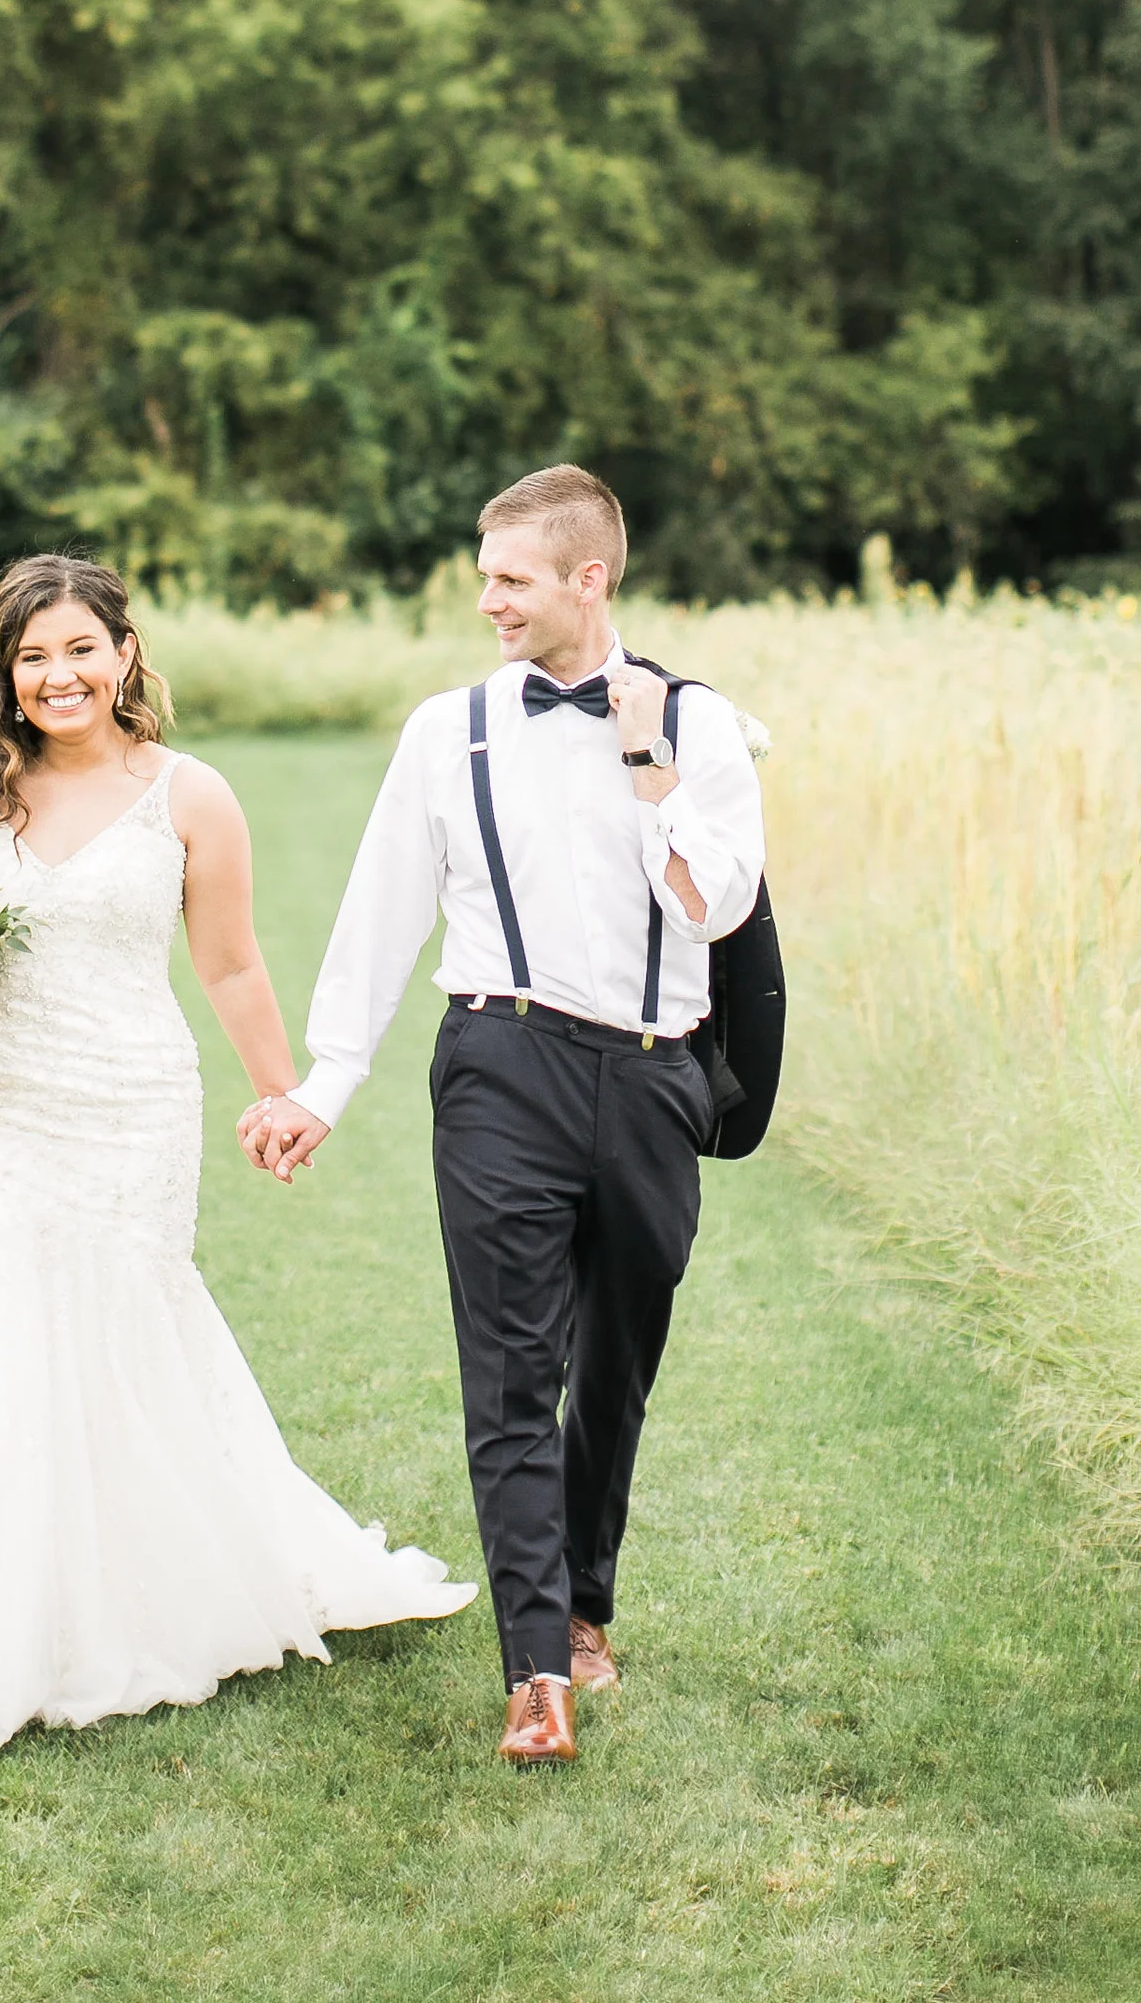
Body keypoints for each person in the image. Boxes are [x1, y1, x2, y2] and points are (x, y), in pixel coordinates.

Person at [0, 552, 473, 1745]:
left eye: (79, 649)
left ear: (123, 652)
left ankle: (140, 1603)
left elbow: (229, 962)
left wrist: (282, 1097)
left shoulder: (190, 795)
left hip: (127, 1103)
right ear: (6, 673)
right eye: (32, 655)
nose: (58, 675)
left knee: (114, 1328)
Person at [240, 467, 764, 1767]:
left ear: (590, 579)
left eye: (511, 579)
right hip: (498, 1068)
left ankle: (587, 1602)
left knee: (616, 1373)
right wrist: (326, 1084)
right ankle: (538, 1671)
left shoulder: (704, 729)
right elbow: (380, 914)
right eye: (484, 578)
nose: (488, 603)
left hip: (652, 1076)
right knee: (512, 1375)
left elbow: (714, 909)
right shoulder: (446, 731)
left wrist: (646, 759)